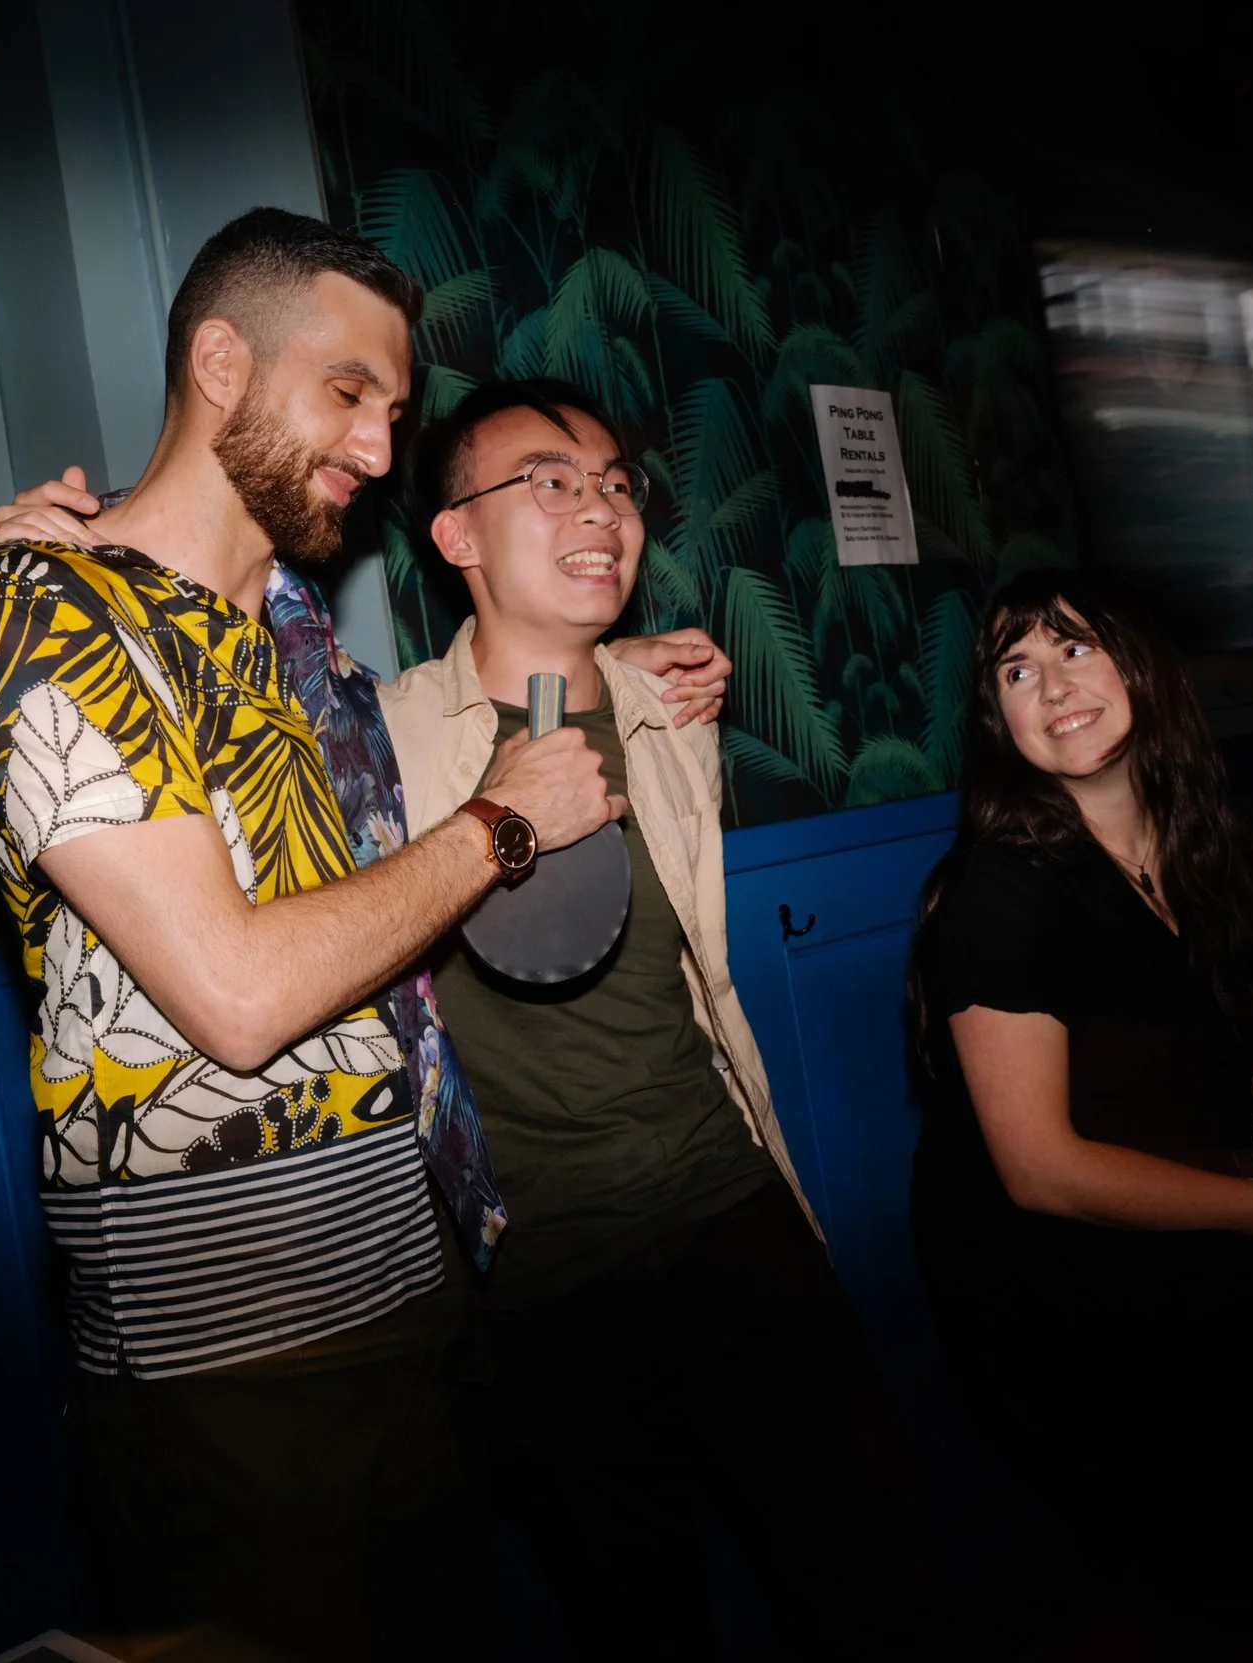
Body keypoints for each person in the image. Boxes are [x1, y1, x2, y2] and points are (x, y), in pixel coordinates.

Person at [0, 209, 731, 1659]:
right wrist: (503, 823)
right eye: (349, 395)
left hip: (407, 1282)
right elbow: (237, 994)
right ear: (223, 360)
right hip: (223, 1343)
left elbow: (408, 746)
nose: (379, 450)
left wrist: (600, 657)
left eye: (394, 410)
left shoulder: (292, 621)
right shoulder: (53, 610)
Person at [378, 378, 939, 1656]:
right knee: (637, 1618)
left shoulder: (670, 712)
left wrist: (609, 667)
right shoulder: (379, 740)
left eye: (618, 483)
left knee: (882, 1579)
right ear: (456, 536)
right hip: (540, 1281)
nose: (601, 507)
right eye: (549, 481)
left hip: (733, 1214)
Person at [907, 568, 1253, 1630]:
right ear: (998, 716)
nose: (1052, 684)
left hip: (1195, 1202)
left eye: (1076, 648)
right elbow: (1041, 1173)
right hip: (1053, 1283)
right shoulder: (1002, 888)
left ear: (1140, 663)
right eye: (1017, 669)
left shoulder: (1214, 845)